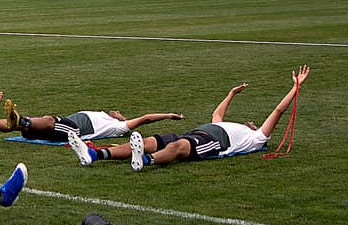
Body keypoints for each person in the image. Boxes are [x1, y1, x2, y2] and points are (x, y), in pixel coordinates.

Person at [68, 65, 310, 171]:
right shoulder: (227, 125)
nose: (250, 122)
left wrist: (295, 88)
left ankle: (147, 161)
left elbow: (278, 112)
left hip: (212, 144)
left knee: (177, 146)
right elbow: (217, 115)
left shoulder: (256, 138)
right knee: (154, 139)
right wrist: (230, 94)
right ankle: (95, 154)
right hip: (196, 133)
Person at [0, 98, 183, 142]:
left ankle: (21, 120)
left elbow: (145, 119)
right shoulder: (104, 114)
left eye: (119, 112)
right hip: (69, 123)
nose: (116, 111)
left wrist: (169, 115)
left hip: (75, 130)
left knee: (48, 120)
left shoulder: (120, 127)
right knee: (29, 126)